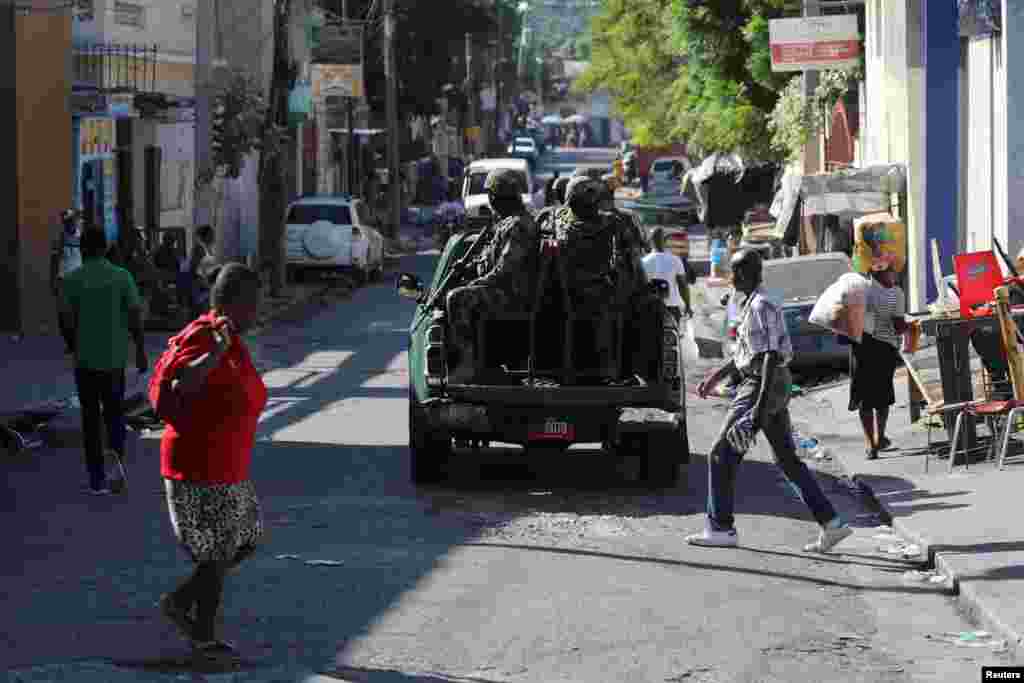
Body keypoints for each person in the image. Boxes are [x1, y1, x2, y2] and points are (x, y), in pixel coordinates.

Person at [689, 248, 852, 553]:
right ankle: (831, 524)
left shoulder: (762, 304)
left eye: (736, 271)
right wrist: (716, 377)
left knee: (720, 454)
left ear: (751, 273)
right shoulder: (753, 303)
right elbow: (747, 353)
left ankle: (721, 527)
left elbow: (769, 358)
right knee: (787, 459)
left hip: (762, 384)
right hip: (770, 383)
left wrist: (756, 410)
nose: (731, 277)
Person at [158, 263, 267, 662]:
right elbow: (180, 384)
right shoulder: (208, 336)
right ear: (235, 302)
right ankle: (200, 631)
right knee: (218, 552)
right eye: (254, 303)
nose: (260, 311)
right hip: (199, 467)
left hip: (227, 466)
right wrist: (215, 353)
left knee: (244, 541)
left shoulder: (230, 337)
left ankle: (183, 606)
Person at [58, 227, 148, 495]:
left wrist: (73, 344)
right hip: (114, 360)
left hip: (85, 362)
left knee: (90, 419)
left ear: (83, 249)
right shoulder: (122, 277)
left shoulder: (72, 280)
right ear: (105, 247)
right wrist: (140, 350)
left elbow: (64, 318)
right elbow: (134, 316)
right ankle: (116, 468)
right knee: (114, 415)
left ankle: (96, 479)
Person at [445, 169, 540, 383]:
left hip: (514, 296)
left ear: (498, 197)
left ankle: (468, 364)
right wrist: (469, 270)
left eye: (492, 196)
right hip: (503, 290)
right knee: (455, 293)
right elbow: (488, 261)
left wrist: (477, 282)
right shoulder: (506, 223)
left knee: (458, 298)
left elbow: (505, 269)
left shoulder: (519, 225)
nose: (490, 202)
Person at [850, 264, 907, 459]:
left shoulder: (859, 290)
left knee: (865, 396)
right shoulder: (895, 293)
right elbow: (899, 326)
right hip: (884, 349)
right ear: (882, 274)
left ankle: (870, 444)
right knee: (882, 395)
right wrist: (907, 327)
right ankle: (879, 436)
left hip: (860, 348)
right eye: (892, 271)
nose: (895, 275)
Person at [642, 227, 693, 323]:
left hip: (650, 308)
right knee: (673, 336)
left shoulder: (643, 262)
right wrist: (688, 306)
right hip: (672, 307)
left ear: (650, 241)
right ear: (665, 241)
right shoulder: (675, 260)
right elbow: (683, 285)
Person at [179, 225, 216, 319]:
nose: (214, 237)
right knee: (200, 315)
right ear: (206, 235)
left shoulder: (206, 249)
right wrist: (203, 285)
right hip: (198, 288)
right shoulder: (199, 249)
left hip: (204, 287)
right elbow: (193, 270)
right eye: (211, 234)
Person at [51, 209, 83, 297]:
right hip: (63, 280)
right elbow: (54, 261)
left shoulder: (82, 238)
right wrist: (53, 282)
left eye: (73, 221)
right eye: (68, 221)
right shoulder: (59, 239)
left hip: (78, 281)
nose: (71, 224)